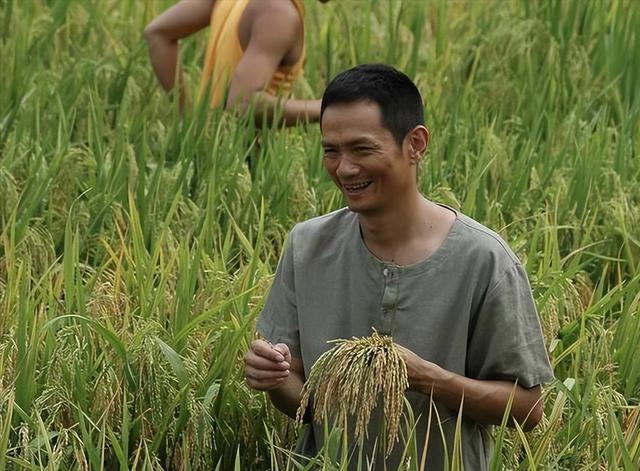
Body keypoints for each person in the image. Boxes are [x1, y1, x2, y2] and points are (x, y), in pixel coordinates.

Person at [243, 64, 554, 469]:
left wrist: (426, 377)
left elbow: (527, 409)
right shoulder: (307, 245)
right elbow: (304, 403)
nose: (344, 168)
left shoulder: (485, 260)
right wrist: (274, 377)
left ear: (416, 144)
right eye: (331, 151)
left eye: (362, 149)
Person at [143, 0, 328, 124]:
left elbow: (158, 33)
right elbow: (241, 105)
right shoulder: (277, 13)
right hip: (247, 163)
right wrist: (322, 109)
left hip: (207, 153)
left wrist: (190, 120)